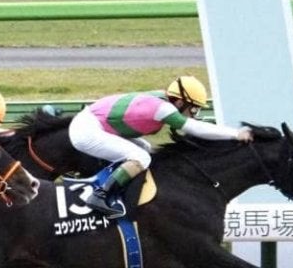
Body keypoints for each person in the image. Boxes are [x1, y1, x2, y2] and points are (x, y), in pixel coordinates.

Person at [70, 75, 254, 217]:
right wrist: (235, 134)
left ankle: (120, 190)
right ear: (180, 102)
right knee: (141, 157)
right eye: (194, 108)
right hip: (87, 130)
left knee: (145, 149)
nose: (194, 113)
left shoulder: (162, 99)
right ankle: (99, 196)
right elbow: (194, 128)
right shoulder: (163, 109)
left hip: (93, 124)